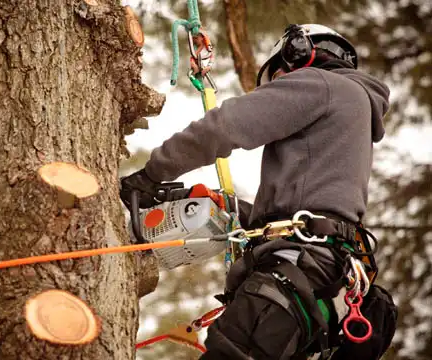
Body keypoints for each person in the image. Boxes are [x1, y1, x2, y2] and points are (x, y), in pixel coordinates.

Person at [120, 24, 397, 359]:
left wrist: (152, 174)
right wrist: (231, 208)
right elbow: (315, 210)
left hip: (293, 277)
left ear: (301, 53)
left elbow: (225, 127)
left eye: (279, 77)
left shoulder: (321, 84)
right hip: (325, 286)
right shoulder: (355, 111)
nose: (279, 86)